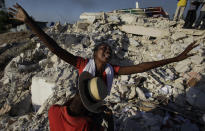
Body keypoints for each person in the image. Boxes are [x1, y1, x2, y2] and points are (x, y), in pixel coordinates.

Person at [9, 3, 198, 129]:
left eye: (110, 49)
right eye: (103, 47)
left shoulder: (112, 70)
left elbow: (142, 67)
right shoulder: (83, 63)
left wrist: (175, 59)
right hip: (80, 110)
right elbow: (55, 48)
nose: (108, 49)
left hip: (93, 109)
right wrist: (30, 22)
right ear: (94, 54)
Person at [49, 72, 114, 131]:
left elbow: (65, 108)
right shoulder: (87, 126)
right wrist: (110, 120)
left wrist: (79, 97)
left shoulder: (52, 111)